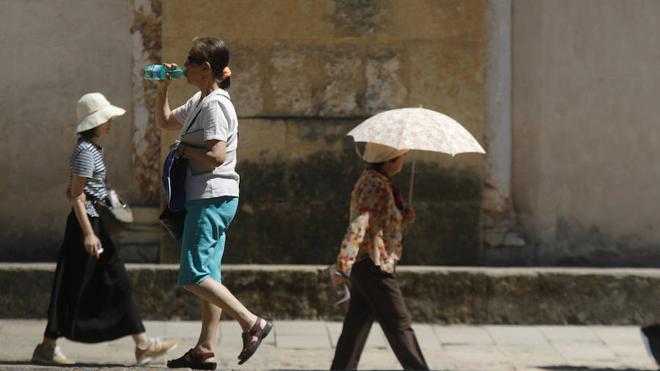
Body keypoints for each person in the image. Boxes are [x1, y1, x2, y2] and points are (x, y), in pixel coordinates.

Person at [31, 92, 177, 365]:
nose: (110, 121)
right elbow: (76, 195)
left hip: (91, 223)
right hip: (86, 226)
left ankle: (49, 346)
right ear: (94, 122)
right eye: (106, 118)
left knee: (98, 281)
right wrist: (88, 232)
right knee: (83, 282)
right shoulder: (86, 151)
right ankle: (49, 347)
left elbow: (74, 190)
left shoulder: (91, 149)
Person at [155, 36, 272, 370]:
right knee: (210, 277)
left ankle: (252, 323)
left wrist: (183, 150)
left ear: (205, 68)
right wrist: (162, 88)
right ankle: (205, 349)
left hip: (210, 197)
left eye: (190, 61)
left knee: (193, 275)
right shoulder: (200, 100)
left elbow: (216, 156)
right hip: (211, 198)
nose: (185, 66)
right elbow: (164, 123)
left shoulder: (216, 105)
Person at [330, 142, 429, 370]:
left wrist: (404, 216)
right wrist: (344, 263)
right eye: (401, 156)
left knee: (356, 324)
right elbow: (359, 224)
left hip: (370, 263)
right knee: (400, 324)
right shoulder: (373, 184)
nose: (404, 160)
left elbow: (381, 223)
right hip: (372, 265)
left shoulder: (381, 182)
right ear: (389, 160)